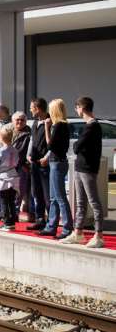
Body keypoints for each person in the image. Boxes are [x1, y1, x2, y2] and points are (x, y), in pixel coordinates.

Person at [61, 97, 105, 248]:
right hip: (81, 167)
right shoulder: (89, 126)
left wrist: (78, 146)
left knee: (94, 202)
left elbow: (78, 146)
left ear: (81, 107)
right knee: (80, 202)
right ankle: (78, 232)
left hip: (87, 168)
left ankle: (99, 235)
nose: (76, 111)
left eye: (77, 108)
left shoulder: (92, 126)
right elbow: (79, 146)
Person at [39, 98, 74, 238]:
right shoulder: (63, 125)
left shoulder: (59, 126)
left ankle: (66, 228)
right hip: (57, 162)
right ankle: (51, 226)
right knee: (54, 197)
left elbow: (50, 145)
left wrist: (47, 128)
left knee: (59, 197)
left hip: (57, 163)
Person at [27, 98, 50, 231]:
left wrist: (47, 157)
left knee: (47, 195)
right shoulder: (35, 123)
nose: (30, 110)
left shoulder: (49, 122)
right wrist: (28, 155)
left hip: (45, 164)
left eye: (32, 107)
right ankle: (40, 219)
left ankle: (50, 222)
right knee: (36, 192)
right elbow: (32, 140)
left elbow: (53, 144)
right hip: (34, 163)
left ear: (38, 108)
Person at [0, 127, 20, 231]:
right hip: (14, 175)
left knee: (4, 200)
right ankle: (12, 221)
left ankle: (6, 222)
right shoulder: (15, 150)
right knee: (11, 200)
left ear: (1, 138)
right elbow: (17, 163)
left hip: (3, 177)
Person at [11, 112, 31, 222]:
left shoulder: (28, 134)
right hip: (7, 167)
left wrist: (24, 165)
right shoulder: (9, 132)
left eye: (22, 120)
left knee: (19, 192)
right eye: (17, 120)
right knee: (7, 191)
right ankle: (6, 212)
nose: (19, 122)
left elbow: (23, 152)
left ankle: (15, 214)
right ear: (12, 121)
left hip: (20, 167)